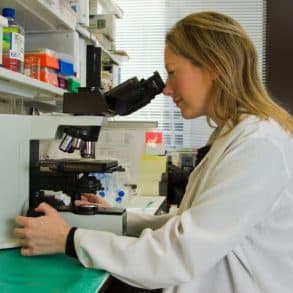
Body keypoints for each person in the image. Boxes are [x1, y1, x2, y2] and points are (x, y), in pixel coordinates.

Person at [14, 11, 293, 293]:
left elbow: (176, 255)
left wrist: (69, 239)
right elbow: (191, 225)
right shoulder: (236, 134)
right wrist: (118, 219)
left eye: (172, 73)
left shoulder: (259, 144)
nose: (167, 90)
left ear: (213, 66)